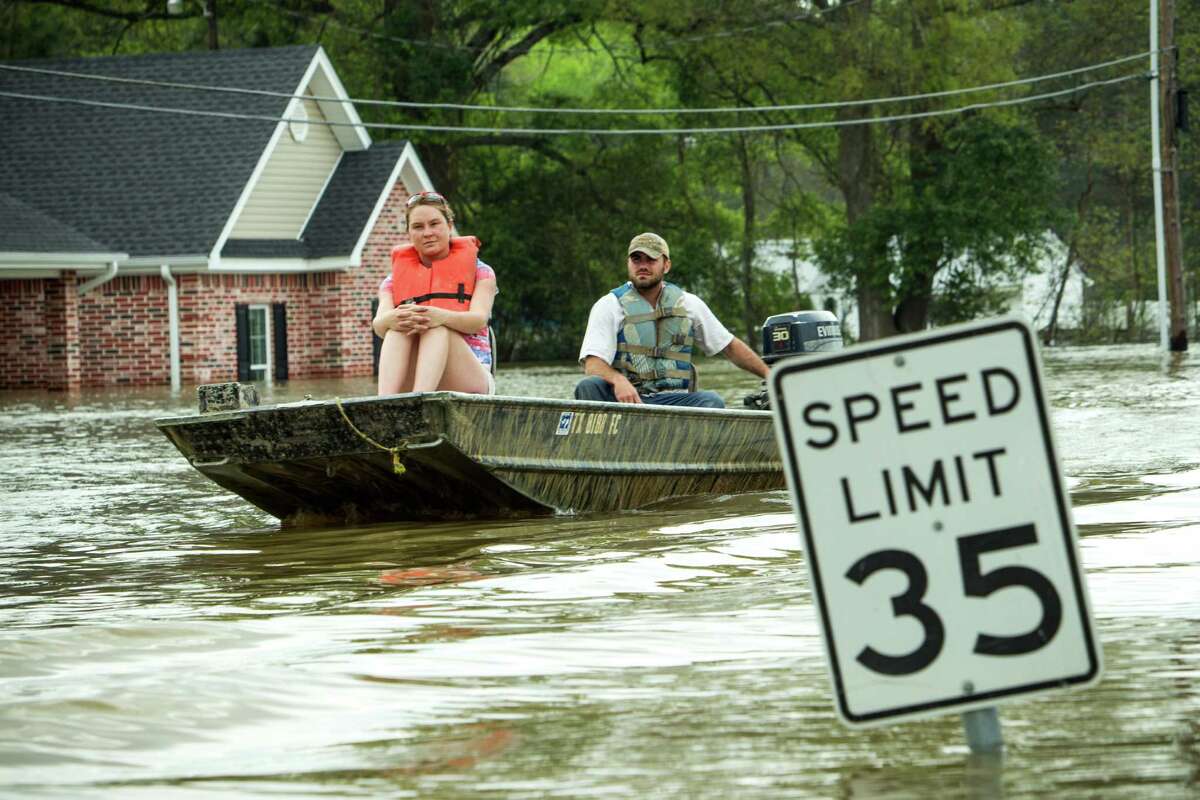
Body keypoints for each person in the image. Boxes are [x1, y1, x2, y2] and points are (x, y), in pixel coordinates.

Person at [575, 232, 768, 408]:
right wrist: (618, 381)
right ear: (628, 263)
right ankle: (602, 444)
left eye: (651, 259)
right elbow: (593, 365)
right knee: (589, 386)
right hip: (625, 402)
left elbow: (729, 346)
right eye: (636, 259)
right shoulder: (609, 305)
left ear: (666, 265)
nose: (642, 265)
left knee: (711, 400)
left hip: (672, 402)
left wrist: (772, 376)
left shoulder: (689, 304)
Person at [374, 191, 497, 396]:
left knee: (436, 328)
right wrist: (392, 318)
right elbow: (379, 325)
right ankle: (383, 403)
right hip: (414, 374)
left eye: (434, 224)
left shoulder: (481, 272)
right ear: (409, 233)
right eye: (418, 227)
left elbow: (478, 320)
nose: (427, 233)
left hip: (469, 377)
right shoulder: (391, 281)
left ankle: (420, 401)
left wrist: (441, 317)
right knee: (396, 328)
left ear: (449, 226)